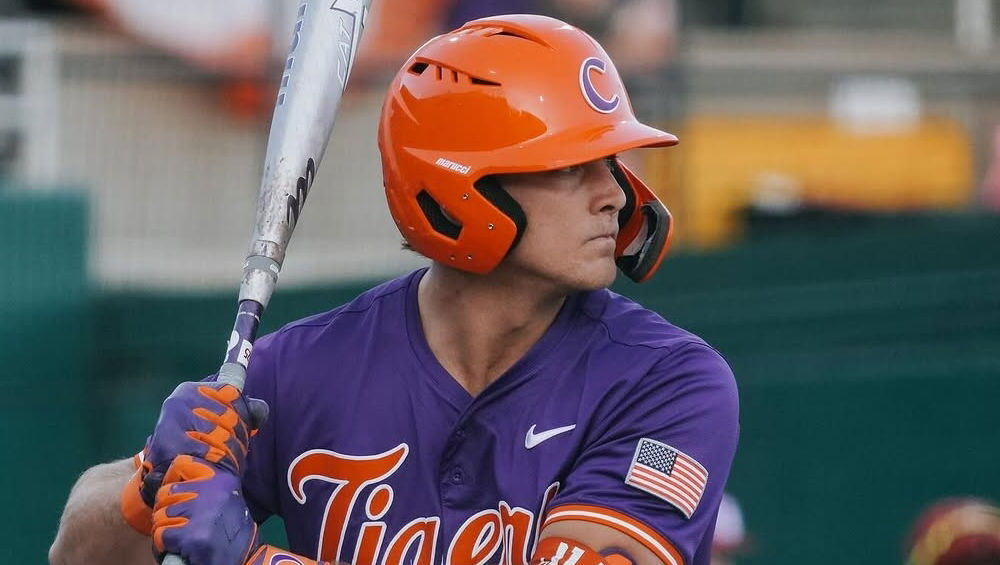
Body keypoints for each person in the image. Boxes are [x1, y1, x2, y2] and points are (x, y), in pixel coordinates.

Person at [49, 14, 739, 565]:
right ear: (457, 185)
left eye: (610, 161)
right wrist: (149, 482)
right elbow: (76, 554)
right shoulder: (302, 369)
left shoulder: (669, 381)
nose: (613, 194)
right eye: (569, 166)